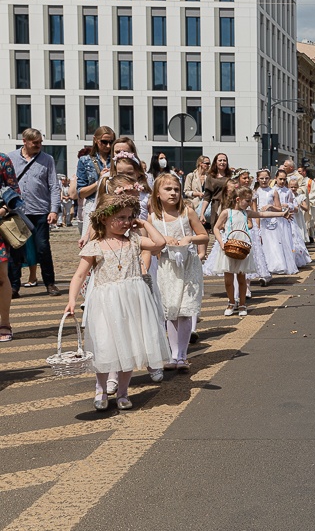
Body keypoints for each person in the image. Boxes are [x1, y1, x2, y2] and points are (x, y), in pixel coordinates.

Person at [65, 193, 169, 411]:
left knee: (129, 346)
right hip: (106, 303)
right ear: (104, 218)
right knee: (105, 346)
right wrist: (72, 299)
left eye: (129, 217)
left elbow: (160, 243)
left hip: (133, 301)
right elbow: (79, 275)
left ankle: (123, 391)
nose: (125, 222)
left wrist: (143, 223)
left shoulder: (134, 240)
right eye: (120, 217)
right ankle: (101, 388)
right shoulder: (95, 246)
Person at [148, 173, 207, 372]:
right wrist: (163, 240)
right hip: (167, 269)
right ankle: (173, 354)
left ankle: (182, 354)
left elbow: (203, 235)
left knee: (184, 311)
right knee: (171, 312)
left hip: (188, 266)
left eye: (176, 189)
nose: (173, 193)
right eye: (168, 189)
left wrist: (190, 239)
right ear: (157, 193)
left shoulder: (187, 212)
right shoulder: (153, 218)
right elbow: (151, 247)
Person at [211, 187, 290, 317]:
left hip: (243, 247)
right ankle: (231, 302)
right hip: (229, 246)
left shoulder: (246, 213)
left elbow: (262, 214)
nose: (249, 203)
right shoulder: (227, 212)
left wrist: (281, 214)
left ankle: (242, 304)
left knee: (242, 278)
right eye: (247, 201)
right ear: (238, 199)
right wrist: (221, 242)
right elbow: (216, 228)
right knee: (228, 280)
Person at [7, 129, 62, 297]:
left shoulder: (48, 160)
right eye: (35, 143)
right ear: (25, 141)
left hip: (40, 211)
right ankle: (14, 286)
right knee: (16, 250)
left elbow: (54, 186)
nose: (39, 146)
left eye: (40, 142)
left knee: (43, 248)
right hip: (17, 211)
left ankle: (50, 283)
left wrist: (54, 210)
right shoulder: (11, 158)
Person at [254, 170, 297, 276]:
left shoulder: (273, 191)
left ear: (270, 179)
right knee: (260, 243)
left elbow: (279, 209)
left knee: (272, 244)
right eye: (262, 178)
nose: (264, 180)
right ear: (257, 179)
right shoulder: (255, 192)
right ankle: (261, 267)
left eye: (266, 178)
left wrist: (271, 206)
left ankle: (273, 265)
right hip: (258, 220)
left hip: (271, 221)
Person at [0, 154, 21, 341]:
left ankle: (4, 323)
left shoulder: (2, 160)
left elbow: (15, 190)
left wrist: (4, 209)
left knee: (1, 276)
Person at [199, 153, 231, 228]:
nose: (222, 162)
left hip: (230, 205)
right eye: (220, 160)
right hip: (216, 206)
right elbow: (207, 196)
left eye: (224, 160)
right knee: (218, 229)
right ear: (215, 162)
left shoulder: (231, 176)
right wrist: (202, 213)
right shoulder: (211, 177)